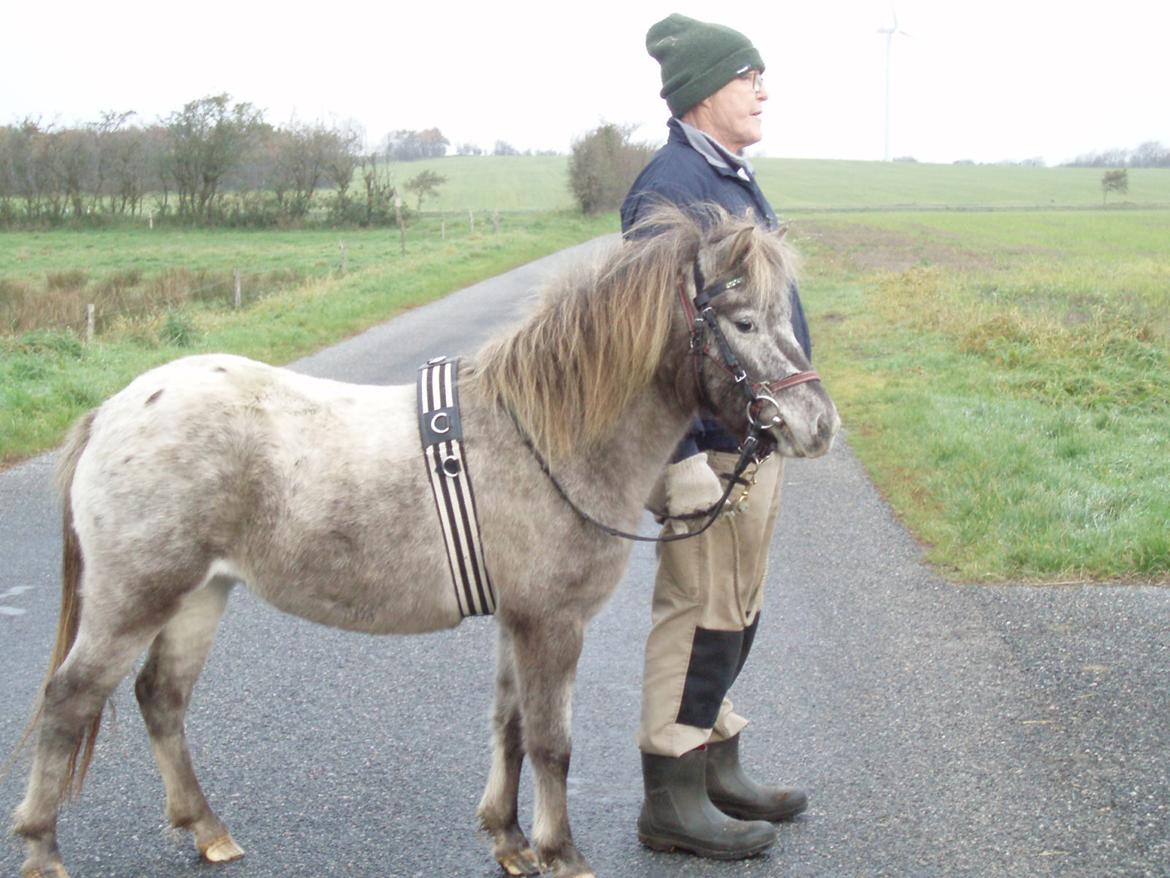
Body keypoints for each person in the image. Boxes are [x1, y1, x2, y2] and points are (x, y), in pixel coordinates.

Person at [621, 13, 813, 860]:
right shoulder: (670, 189)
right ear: (705, 90)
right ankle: (671, 795)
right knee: (697, 607)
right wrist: (682, 457)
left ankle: (715, 761)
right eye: (749, 75)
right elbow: (648, 339)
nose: (764, 88)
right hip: (708, 446)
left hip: (753, 436)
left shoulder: (730, 176)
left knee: (737, 607)